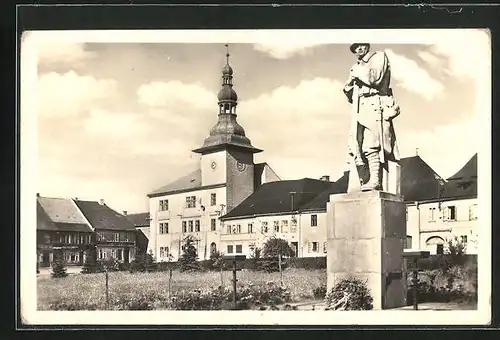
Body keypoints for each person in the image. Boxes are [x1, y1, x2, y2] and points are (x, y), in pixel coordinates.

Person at [343, 43, 401, 191]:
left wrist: (356, 72)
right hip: (360, 106)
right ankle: (365, 178)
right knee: (357, 145)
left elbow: (374, 79)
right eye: (355, 48)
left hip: (375, 103)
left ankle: (375, 180)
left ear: (367, 45)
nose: (358, 49)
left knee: (372, 143)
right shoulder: (357, 65)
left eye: (361, 45)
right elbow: (349, 93)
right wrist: (348, 87)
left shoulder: (378, 57)